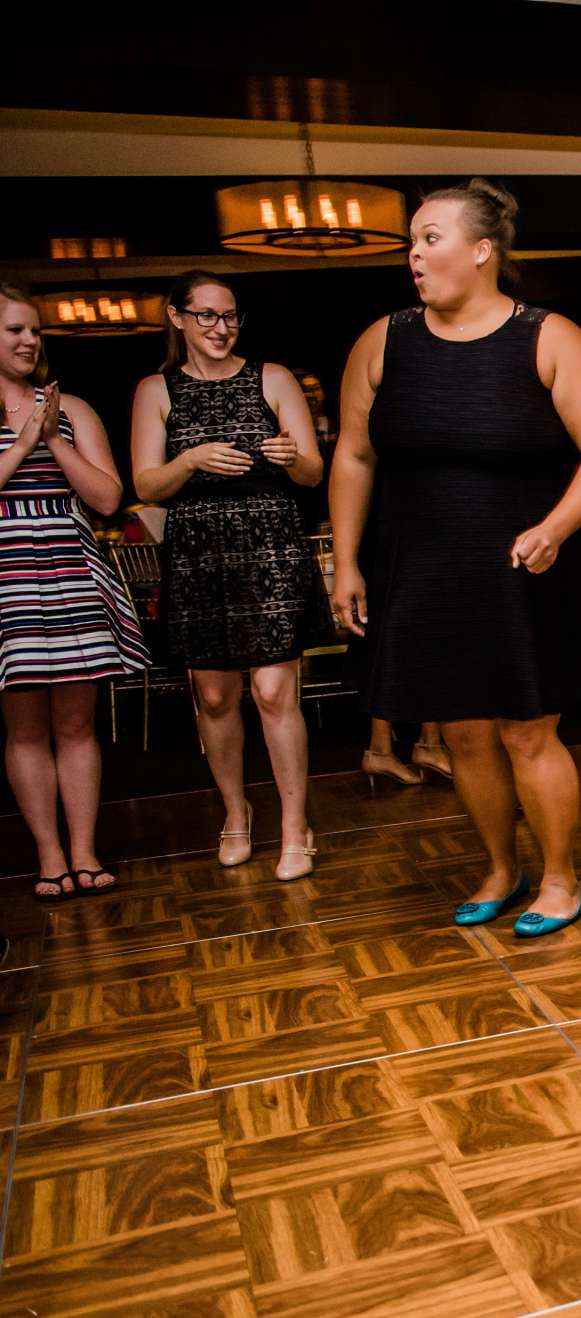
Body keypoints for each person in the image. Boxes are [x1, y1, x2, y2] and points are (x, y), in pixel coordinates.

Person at [329, 180, 581, 939]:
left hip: (528, 565)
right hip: (425, 567)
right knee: (461, 735)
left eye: (431, 238)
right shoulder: (382, 341)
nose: (414, 255)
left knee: (528, 731)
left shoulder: (550, 337)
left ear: (483, 250)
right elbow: (355, 456)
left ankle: (560, 879)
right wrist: (346, 563)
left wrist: (556, 526)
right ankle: (501, 867)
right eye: (412, 242)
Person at [129, 271, 333, 880]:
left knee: (273, 692)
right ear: (177, 317)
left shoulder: (273, 377)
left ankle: (296, 827)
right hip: (199, 554)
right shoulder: (155, 390)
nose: (221, 328)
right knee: (215, 696)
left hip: (268, 545)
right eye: (208, 316)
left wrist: (294, 457)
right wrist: (188, 459)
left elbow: (314, 474)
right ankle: (236, 812)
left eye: (231, 316)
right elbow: (144, 485)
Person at [0, 284, 143, 901]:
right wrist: (23, 443)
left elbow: (109, 498)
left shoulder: (74, 408)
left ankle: (84, 850)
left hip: (69, 570)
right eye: (14, 330)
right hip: (8, 576)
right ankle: (49, 855)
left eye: (34, 331)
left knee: (77, 724)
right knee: (26, 727)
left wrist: (53, 435)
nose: (29, 341)